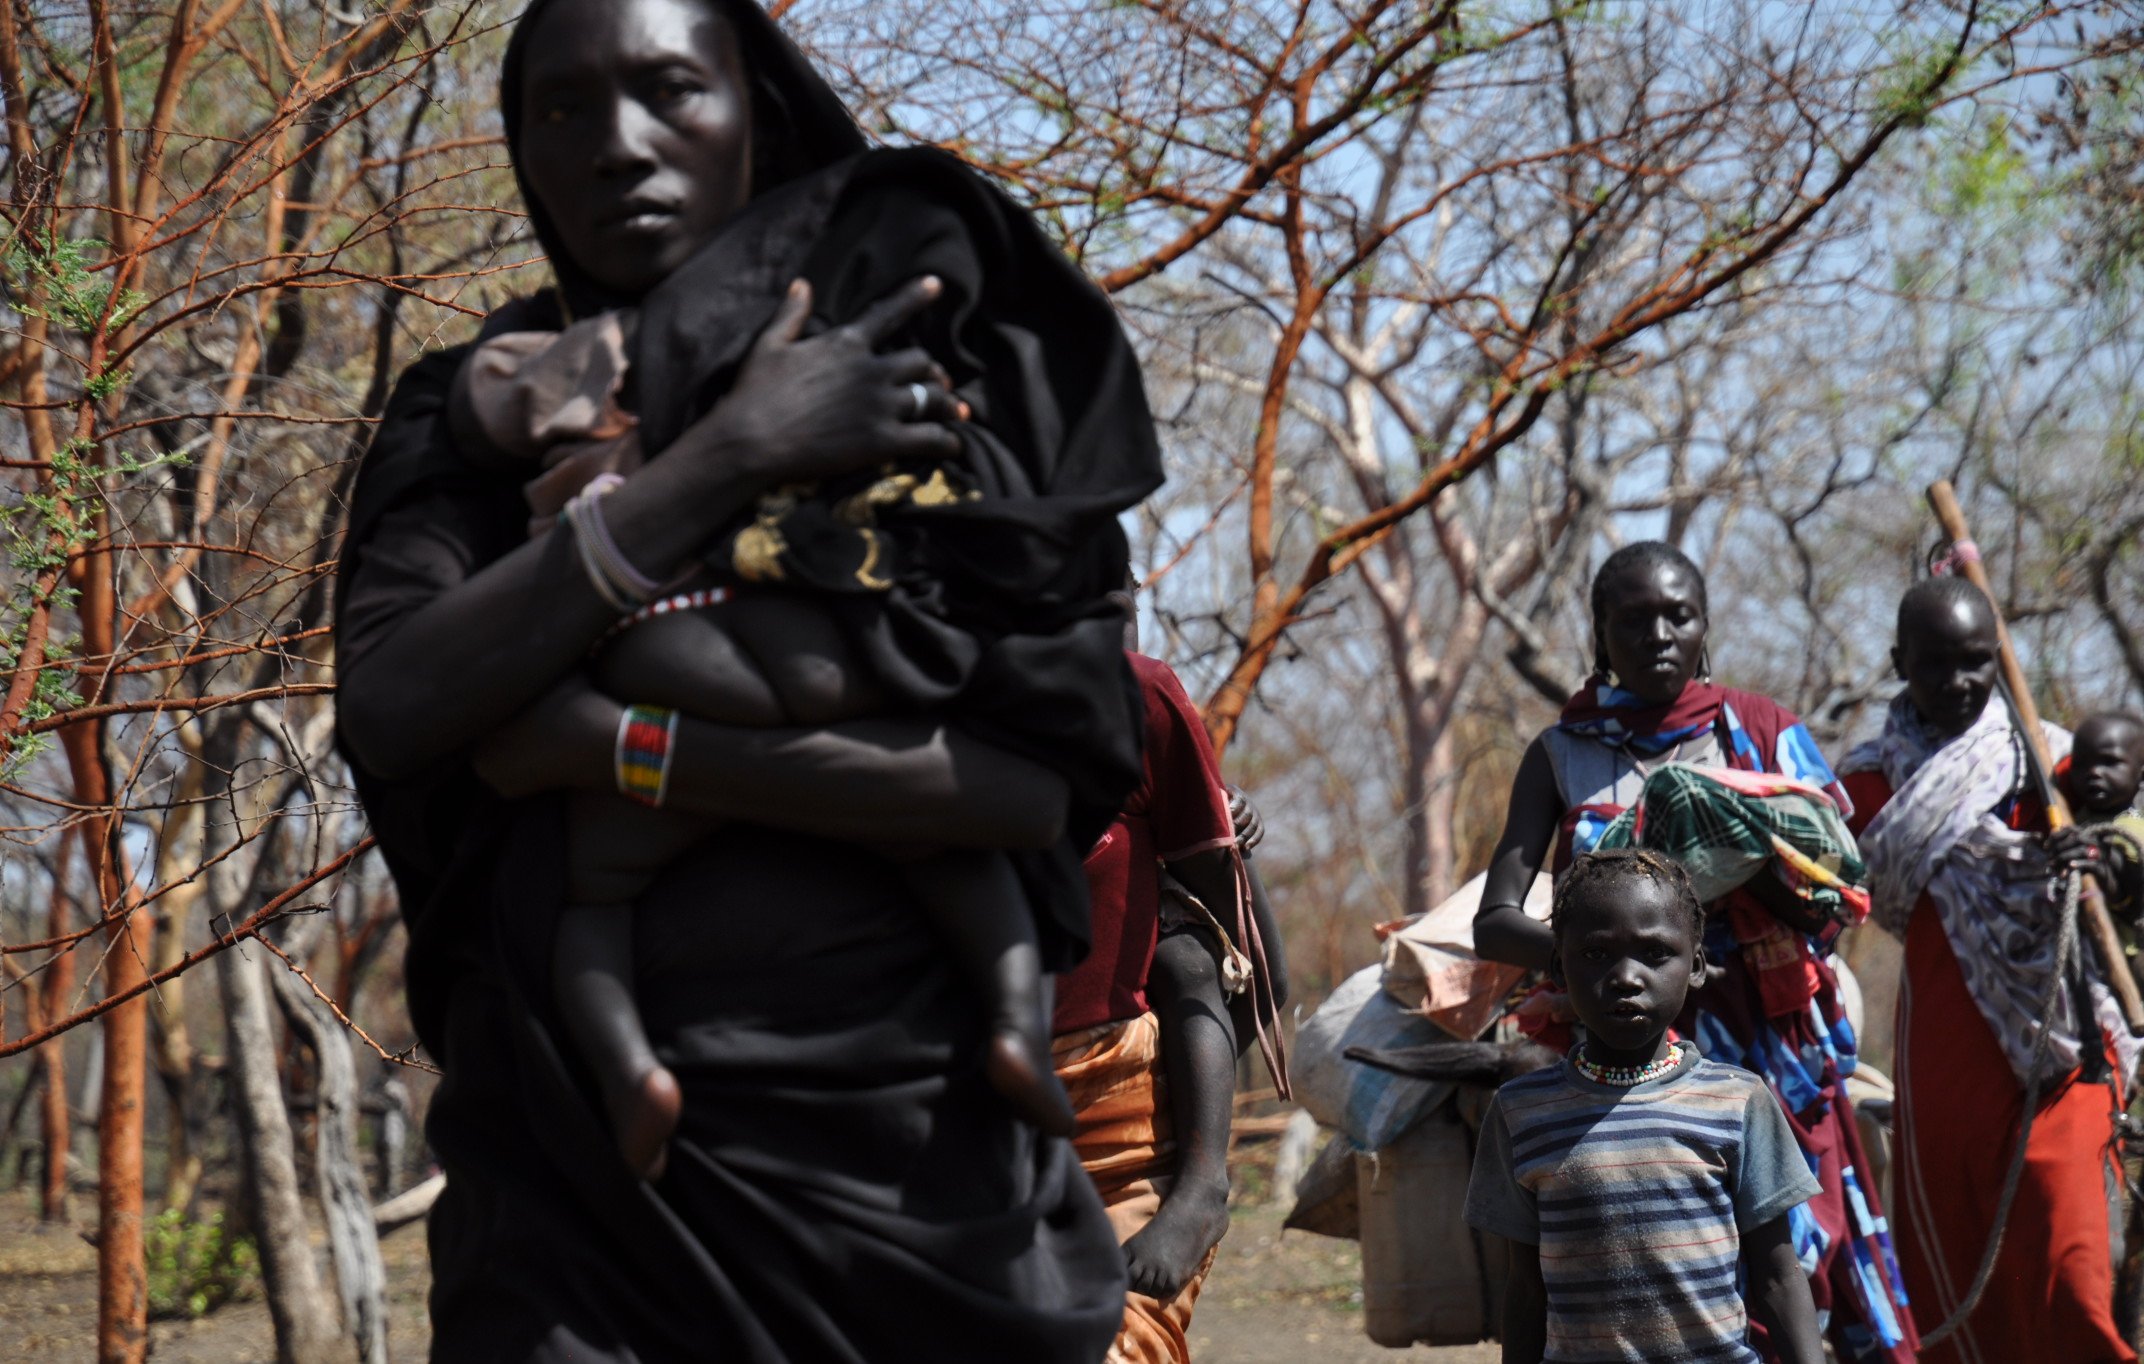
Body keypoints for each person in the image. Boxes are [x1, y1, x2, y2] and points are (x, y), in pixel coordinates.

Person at [332, 0, 1158, 1356]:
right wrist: (723, 457)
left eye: (670, 90)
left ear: (754, 113)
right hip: (582, 1221)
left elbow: (1030, 786)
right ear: (521, 146)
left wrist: (614, 753)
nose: (618, 145)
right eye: (563, 109)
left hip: (925, 1195)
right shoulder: (478, 409)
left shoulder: (921, 372)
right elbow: (394, 704)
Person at [451, 236, 1092, 1169]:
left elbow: (485, 406)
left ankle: (632, 1071)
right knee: (951, 847)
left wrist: (548, 346)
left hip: (658, 646)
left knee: (593, 900)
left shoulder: (597, 352)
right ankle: (1014, 1029)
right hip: (808, 639)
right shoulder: (797, 343)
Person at [1474, 541, 1916, 1363]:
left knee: (1794, 1258)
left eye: (1678, 614)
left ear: (1705, 625)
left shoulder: (1760, 734)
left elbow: (1836, 896)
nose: (1658, 634)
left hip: (1770, 1053)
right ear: (1600, 635)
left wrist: (1745, 856)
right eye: (1632, 619)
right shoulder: (1560, 753)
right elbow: (1495, 921)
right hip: (1612, 1040)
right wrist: (1605, 962)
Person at [1840, 578, 2139, 1364]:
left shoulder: (2053, 764)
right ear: (1899, 662)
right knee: (1957, 1282)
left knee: (2075, 1278)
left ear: (1998, 661)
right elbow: (1815, 880)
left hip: (2064, 1053)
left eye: (1976, 662)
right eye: (1935, 664)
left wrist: (2107, 857)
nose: (1959, 683)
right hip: (1942, 1059)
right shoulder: (1868, 784)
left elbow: (2130, 837)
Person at [1465, 848, 1826, 1364]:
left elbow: (1778, 1276)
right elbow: (1525, 1290)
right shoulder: (1522, 1112)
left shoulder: (1737, 1101)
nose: (1626, 977)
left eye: (1655, 954)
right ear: (1558, 970)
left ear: (1696, 966)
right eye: (1595, 954)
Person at [1050, 593, 1289, 1364]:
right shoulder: (939, 717)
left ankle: (1203, 1184)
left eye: (1114, 604)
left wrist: (1232, 834)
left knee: (1187, 955)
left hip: (1128, 1103)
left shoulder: (1145, 705)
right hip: (982, 1119)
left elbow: (1254, 965)